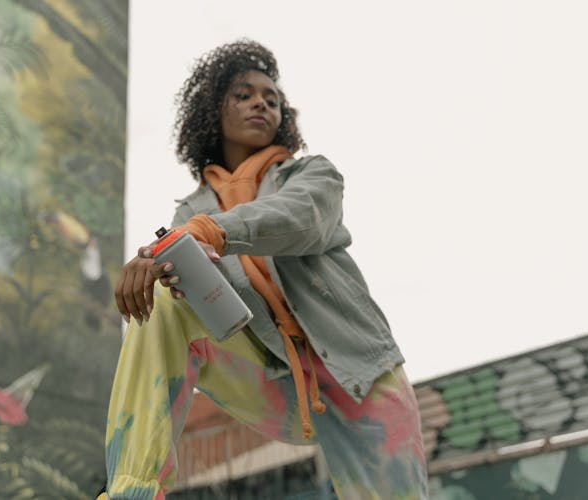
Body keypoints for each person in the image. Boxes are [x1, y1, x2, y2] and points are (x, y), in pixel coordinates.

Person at [107, 39, 428, 500]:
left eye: (272, 99)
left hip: (356, 370)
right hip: (268, 376)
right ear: (213, 112)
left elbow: (301, 218)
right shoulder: (190, 214)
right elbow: (192, 291)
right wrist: (156, 261)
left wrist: (206, 233)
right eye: (244, 94)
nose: (261, 102)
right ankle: (133, 492)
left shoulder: (311, 175)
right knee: (164, 301)